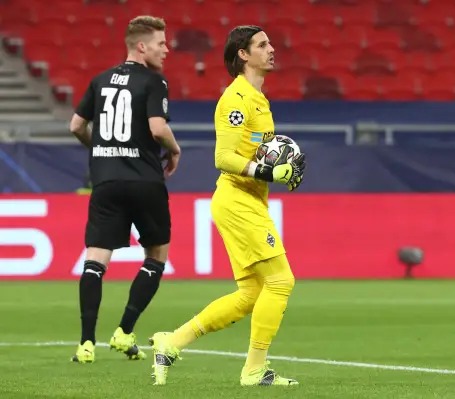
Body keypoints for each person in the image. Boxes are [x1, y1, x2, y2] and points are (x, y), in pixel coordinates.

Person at [149, 25, 305, 386]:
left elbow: (255, 152)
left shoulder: (258, 99)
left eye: (270, 42)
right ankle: (253, 370)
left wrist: (279, 169)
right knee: (281, 281)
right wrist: (267, 169)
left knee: (251, 294)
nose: (272, 48)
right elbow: (223, 156)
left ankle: (172, 342)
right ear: (243, 55)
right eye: (262, 44)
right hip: (237, 201)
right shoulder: (235, 99)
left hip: (248, 200)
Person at [68, 15, 181, 363]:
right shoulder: (153, 81)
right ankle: (124, 331)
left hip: (106, 181)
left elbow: (76, 125)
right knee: (155, 256)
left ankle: (86, 344)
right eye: (161, 43)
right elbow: (158, 127)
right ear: (142, 46)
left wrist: (102, 150)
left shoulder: (100, 80)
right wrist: (174, 150)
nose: (167, 49)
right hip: (145, 181)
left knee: (96, 259)